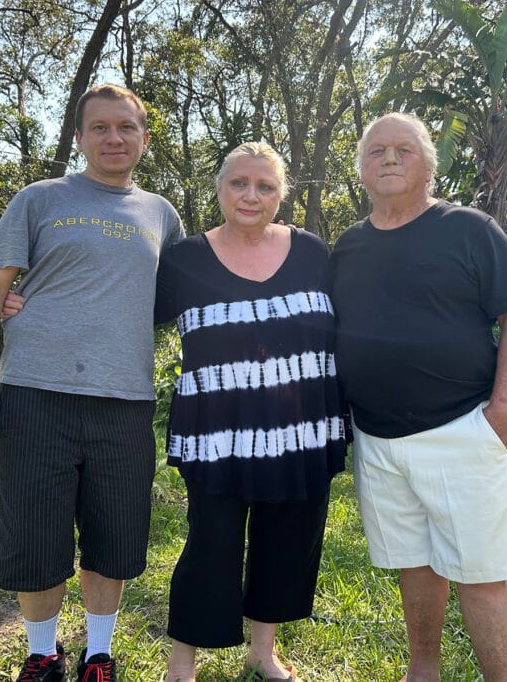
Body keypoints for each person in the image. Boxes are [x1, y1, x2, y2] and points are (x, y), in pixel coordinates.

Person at [0, 83, 184, 682]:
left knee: (116, 537)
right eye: (98, 127)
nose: (113, 137)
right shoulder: (39, 198)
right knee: (37, 535)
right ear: (78, 138)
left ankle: (97, 655)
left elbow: (169, 300)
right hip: (35, 394)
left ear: (144, 139)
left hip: (124, 402)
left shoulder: (161, 214)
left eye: (126, 127)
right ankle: (42, 654)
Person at [330, 113, 507, 682]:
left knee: (480, 573)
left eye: (403, 149)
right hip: (376, 438)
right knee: (414, 565)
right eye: (377, 151)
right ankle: (423, 671)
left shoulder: (468, 229)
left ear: (429, 165)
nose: (390, 159)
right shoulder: (347, 247)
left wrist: (503, 414)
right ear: (362, 169)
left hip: (461, 430)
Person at [155, 142, 349, 682]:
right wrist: (30, 299)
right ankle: (182, 662)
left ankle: (263, 653)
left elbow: (360, 312)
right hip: (217, 432)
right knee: (210, 544)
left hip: (302, 428)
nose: (250, 195)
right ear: (219, 189)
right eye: (239, 183)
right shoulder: (184, 259)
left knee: (288, 540)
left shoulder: (312, 252)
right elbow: (122, 308)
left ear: (281, 195)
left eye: (265, 186)